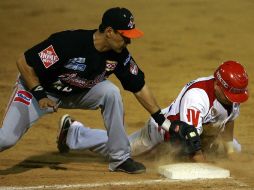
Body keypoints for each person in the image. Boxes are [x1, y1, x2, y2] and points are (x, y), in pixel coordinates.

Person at [0, 7, 200, 174]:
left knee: (110, 93)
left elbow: (139, 87)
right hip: (38, 91)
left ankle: (119, 159)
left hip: (76, 92)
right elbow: (24, 63)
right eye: (125, 36)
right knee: (6, 139)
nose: (129, 42)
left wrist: (164, 123)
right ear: (110, 32)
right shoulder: (68, 43)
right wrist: (39, 93)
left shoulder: (119, 55)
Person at [59, 60, 248, 162]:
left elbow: (230, 118)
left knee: (232, 150)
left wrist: (229, 148)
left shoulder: (229, 94)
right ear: (217, 84)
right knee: (120, 151)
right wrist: (207, 165)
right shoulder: (198, 97)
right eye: (230, 93)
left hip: (200, 133)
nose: (233, 98)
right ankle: (73, 132)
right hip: (162, 133)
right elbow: (191, 142)